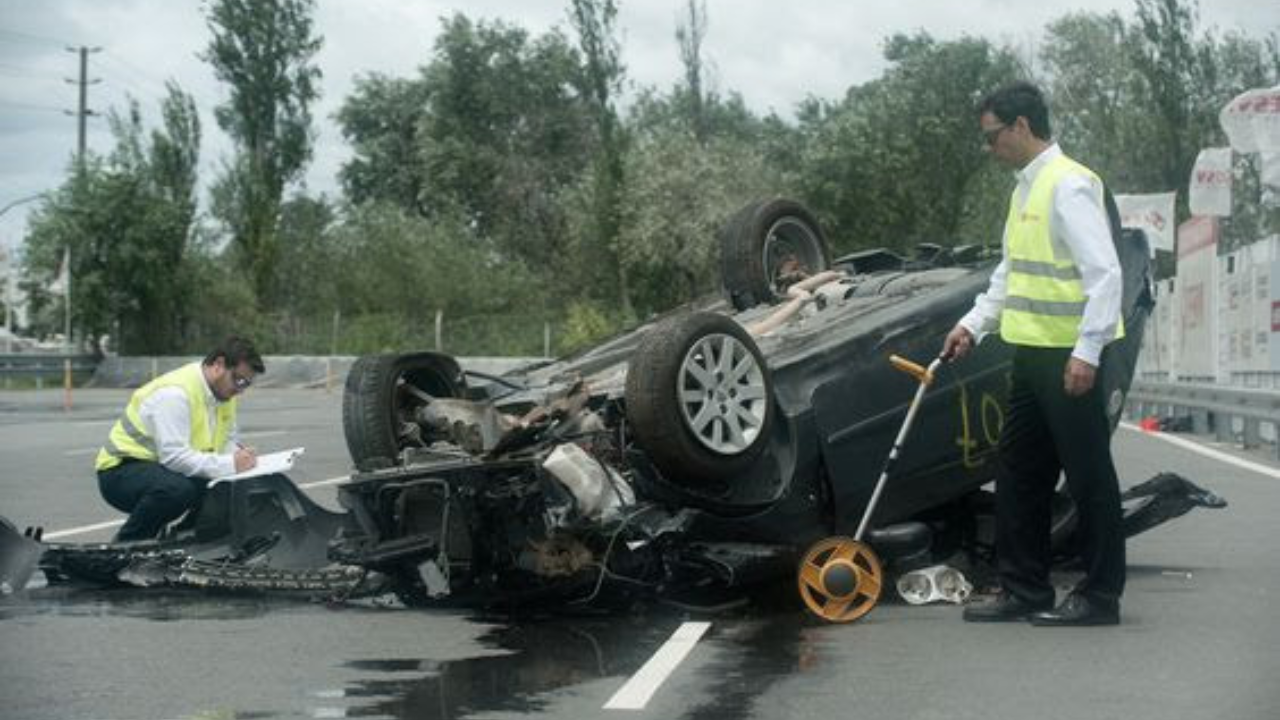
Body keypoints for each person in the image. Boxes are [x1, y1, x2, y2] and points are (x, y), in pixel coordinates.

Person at [941, 82, 1125, 626]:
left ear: (1022, 126)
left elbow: (1106, 273)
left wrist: (1087, 351)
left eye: (993, 135)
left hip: (1070, 355)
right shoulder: (1025, 189)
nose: (989, 146)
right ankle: (1024, 588)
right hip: (1031, 355)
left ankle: (1100, 596)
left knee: (1088, 475)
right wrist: (973, 323)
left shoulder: (1067, 185)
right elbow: (1012, 272)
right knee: (1020, 473)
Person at [95, 336, 265, 542]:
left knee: (228, 486)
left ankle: (184, 540)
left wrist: (240, 457)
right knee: (175, 490)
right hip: (120, 470)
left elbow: (226, 441)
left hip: (162, 469)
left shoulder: (224, 395)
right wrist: (231, 463)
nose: (241, 390)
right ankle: (123, 547)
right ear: (219, 365)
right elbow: (174, 457)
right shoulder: (175, 394)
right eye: (239, 380)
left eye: (246, 384)